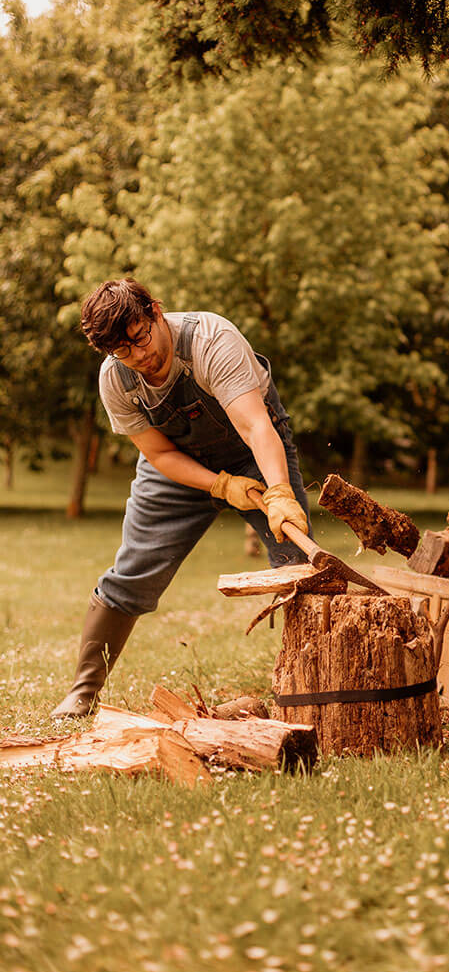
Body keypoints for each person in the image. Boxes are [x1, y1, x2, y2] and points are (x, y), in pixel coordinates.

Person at [52, 279, 311, 718]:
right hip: (176, 466)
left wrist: (279, 493)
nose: (138, 356)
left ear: (155, 310)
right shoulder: (116, 379)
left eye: (140, 337)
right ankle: (82, 691)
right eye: (122, 351)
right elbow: (158, 453)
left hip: (253, 450)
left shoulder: (211, 341)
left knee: (298, 566)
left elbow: (255, 427)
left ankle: (313, 684)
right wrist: (220, 486)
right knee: (133, 570)